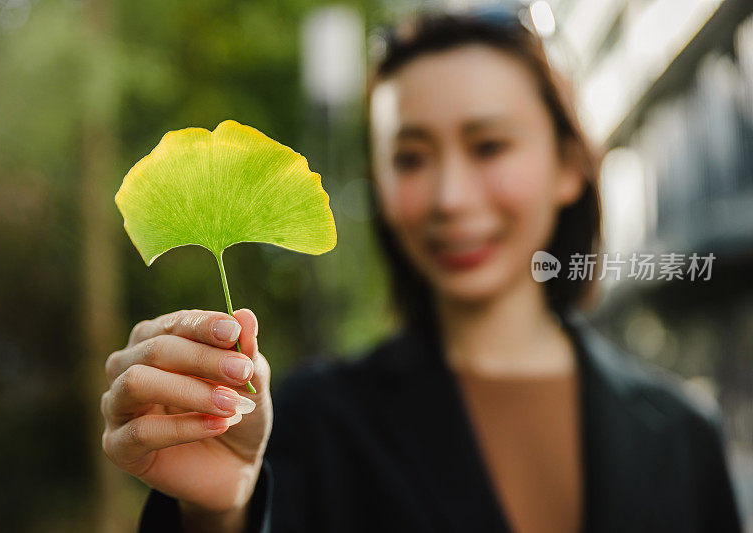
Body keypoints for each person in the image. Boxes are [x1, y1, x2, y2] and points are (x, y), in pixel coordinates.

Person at [100, 8, 743, 533]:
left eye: (489, 146)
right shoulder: (303, 427)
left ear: (570, 165)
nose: (450, 198)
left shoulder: (684, 436)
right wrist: (221, 515)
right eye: (411, 157)